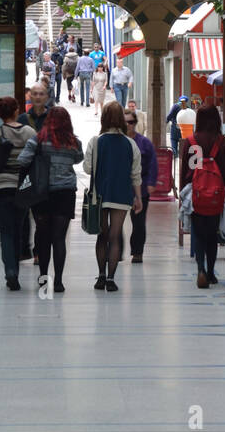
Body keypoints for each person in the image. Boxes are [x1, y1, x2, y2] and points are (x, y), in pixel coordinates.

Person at [17, 105, 83, 294]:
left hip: (42, 193)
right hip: (65, 192)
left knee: (43, 236)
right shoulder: (73, 142)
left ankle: (44, 277)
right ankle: (60, 281)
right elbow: (78, 159)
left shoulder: (37, 139)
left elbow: (22, 160)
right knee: (59, 238)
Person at [83, 102, 141, 292]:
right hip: (122, 195)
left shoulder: (96, 141)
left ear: (104, 118)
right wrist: (138, 198)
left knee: (103, 235)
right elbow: (135, 174)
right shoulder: (130, 144)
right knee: (115, 237)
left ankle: (100, 275)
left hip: (100, 194)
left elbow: (87, 168)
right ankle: (111, 278)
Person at [0, 97, 35, 291]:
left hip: (1, 187)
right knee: (18, 229)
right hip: (21, 188)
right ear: (16, 111)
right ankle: (16, 272)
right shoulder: (29, 132)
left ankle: (10, 271)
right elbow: (36, 158)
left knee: (5, 232)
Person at [180, 105, 225, 289]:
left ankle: (200, 269)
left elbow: (185, 170)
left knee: (198, 234)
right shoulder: (221, 142)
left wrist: (182, 193)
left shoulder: (190, 141)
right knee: (212, 235)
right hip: (216, 195)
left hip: (195, 193)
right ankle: (211, 273)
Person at [124, 112, 157, 261]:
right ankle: (116, 250)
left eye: (130, 122)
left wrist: (151, 182)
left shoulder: (144, 143)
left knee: (138, 222)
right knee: (115, 223)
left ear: (135, 123)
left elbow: (152, 164)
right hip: (121, 188)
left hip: (141, 188)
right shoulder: (117, 142)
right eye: (125, 122)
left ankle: (137, 252)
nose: (128, 125)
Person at [166, 96, 187, 160]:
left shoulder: (175, 106)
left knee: (173, 140)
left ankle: (175, 157)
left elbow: (170, 115)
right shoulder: (187, 108)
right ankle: (181, 158)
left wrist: (166, 121)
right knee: (182, 143)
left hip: (175, 127)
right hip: (183, 128)